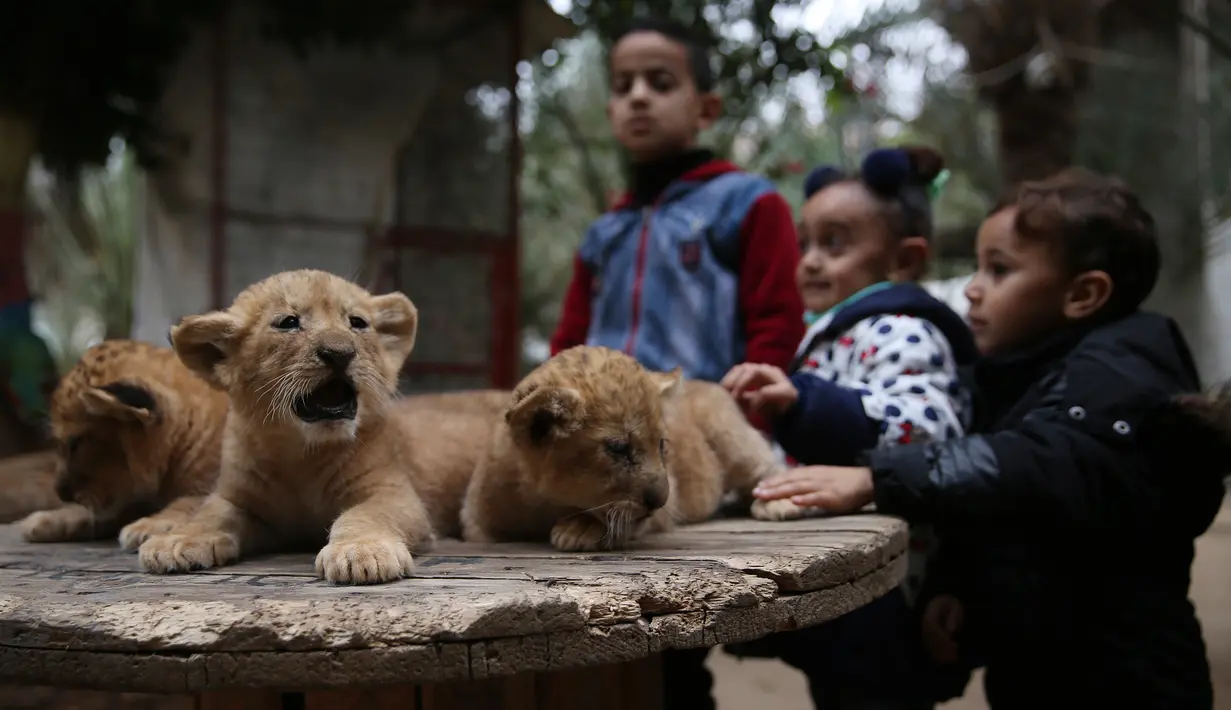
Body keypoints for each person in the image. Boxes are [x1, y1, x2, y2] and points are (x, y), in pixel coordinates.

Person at [753, 167, 1228, 709]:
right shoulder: (1022, 373)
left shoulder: (1118, 375)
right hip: (1033, 672)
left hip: (1127, 680)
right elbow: (1008, 518)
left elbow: (1032, 465)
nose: (973, 289)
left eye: (998, 271)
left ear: (1083, 294)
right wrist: (958, 590)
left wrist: (875, 477)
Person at [718, 146, 978, 709]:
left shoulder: (902, 330)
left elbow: (929, 430)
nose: (809, 260)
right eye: (805, 242)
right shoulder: (834, 333)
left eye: (834, 244)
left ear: (905, 261)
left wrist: (804, 404)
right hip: (844, 580)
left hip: (888, 588)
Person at [548, 17, 805, 386]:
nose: (638, 96)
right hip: (603, 434)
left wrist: (749, 423)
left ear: (706, 109)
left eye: (660, 83)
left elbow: (777, 328)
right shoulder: (603, 233)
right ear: (611, 112)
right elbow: (568, 345)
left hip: (704, 430)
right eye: (623, 86)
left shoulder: (749, 204)